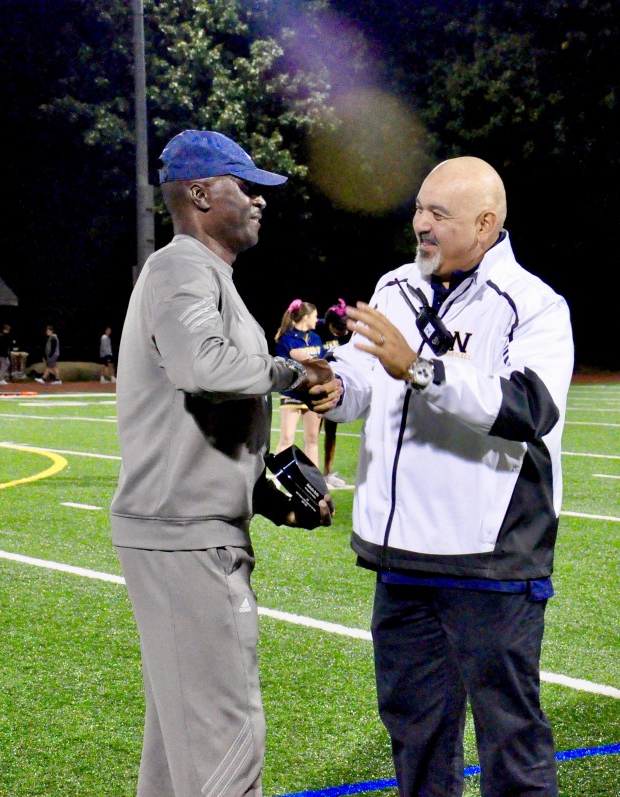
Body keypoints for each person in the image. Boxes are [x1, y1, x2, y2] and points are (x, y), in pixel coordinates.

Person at [305, 156, 574, 796]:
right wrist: (334, 387)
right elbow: (365, 379)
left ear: (485, 224)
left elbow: (528, 408)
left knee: (510, 739)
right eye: (419, 209)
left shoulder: (534, 304)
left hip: (488, 561)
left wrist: (420, 369)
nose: (420, 224)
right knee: (415, 734)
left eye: (438, 214)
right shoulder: (395, 286)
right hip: (401, 559)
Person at [109, 129, 332, 797]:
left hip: (184, 529)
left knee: (178, 757)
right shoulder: (181, 267)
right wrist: (293, 374)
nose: (260, 200)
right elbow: (201, 367)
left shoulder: (205, 275)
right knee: (227, 749)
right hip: (186, 538)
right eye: (246, 186)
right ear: (201, 194)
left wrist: (266, 496)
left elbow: (204, 416)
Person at [272, 299, 324, 458]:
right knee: (286, 439)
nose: (317, 320)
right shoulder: (286, 340)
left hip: (312, 395)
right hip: (292, 395)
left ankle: (312, 475)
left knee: (312, 440)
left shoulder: (316, 339)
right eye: (314, 316)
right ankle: (277, 474)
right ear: (306, 317)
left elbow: (322, 367)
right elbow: (285, 368)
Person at [316, 299, 351, 488]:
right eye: (339, 329)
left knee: (331, 431)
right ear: (329, 324)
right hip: (316, 386)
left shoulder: (344, 336)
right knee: (313, 433)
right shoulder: (316, 329)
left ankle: (328, 473)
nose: (342, 333)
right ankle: (310, 474)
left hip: (334, 384)